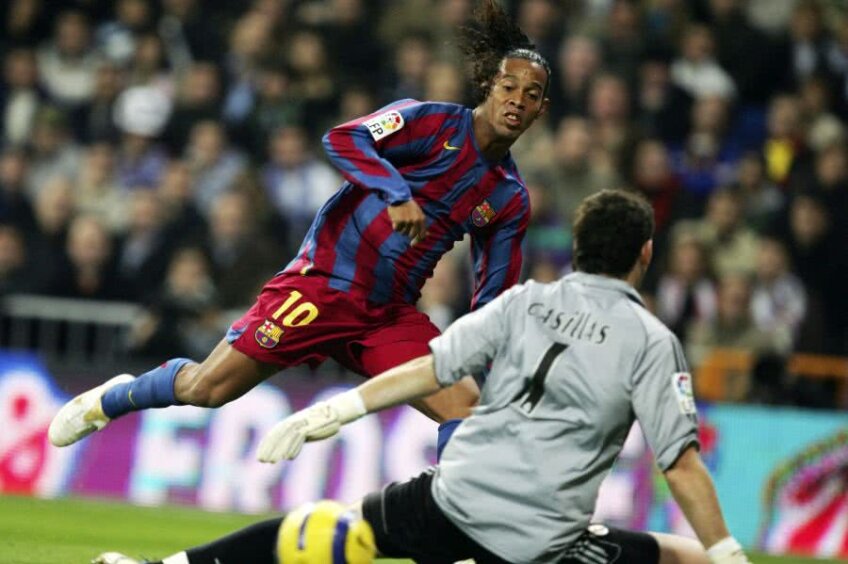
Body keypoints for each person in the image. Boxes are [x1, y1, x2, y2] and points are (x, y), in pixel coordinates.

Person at [93, 190, 750, 564]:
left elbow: (429, 368)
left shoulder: (523, 301)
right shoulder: (651, 341)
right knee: (684, 558)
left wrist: (339, 409)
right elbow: (682, 465)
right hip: (538, 538)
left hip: (454, 496)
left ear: (576, 248)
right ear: (645, 254)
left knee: (326, 531)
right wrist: (725, 551)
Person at [49, 0, 551, 456]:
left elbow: (492, 299)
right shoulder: (429, 123)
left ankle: (456, 537)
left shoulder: (508, 198)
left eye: (531, 96)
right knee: (207, 389)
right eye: (509, 87)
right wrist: (397, 193)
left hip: (387, 317)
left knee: (468, 409)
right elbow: (343, 139)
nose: (517, 101)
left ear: (540, 110)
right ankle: (109, 400)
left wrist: (493, 364)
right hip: (321, 286)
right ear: (489, 86)